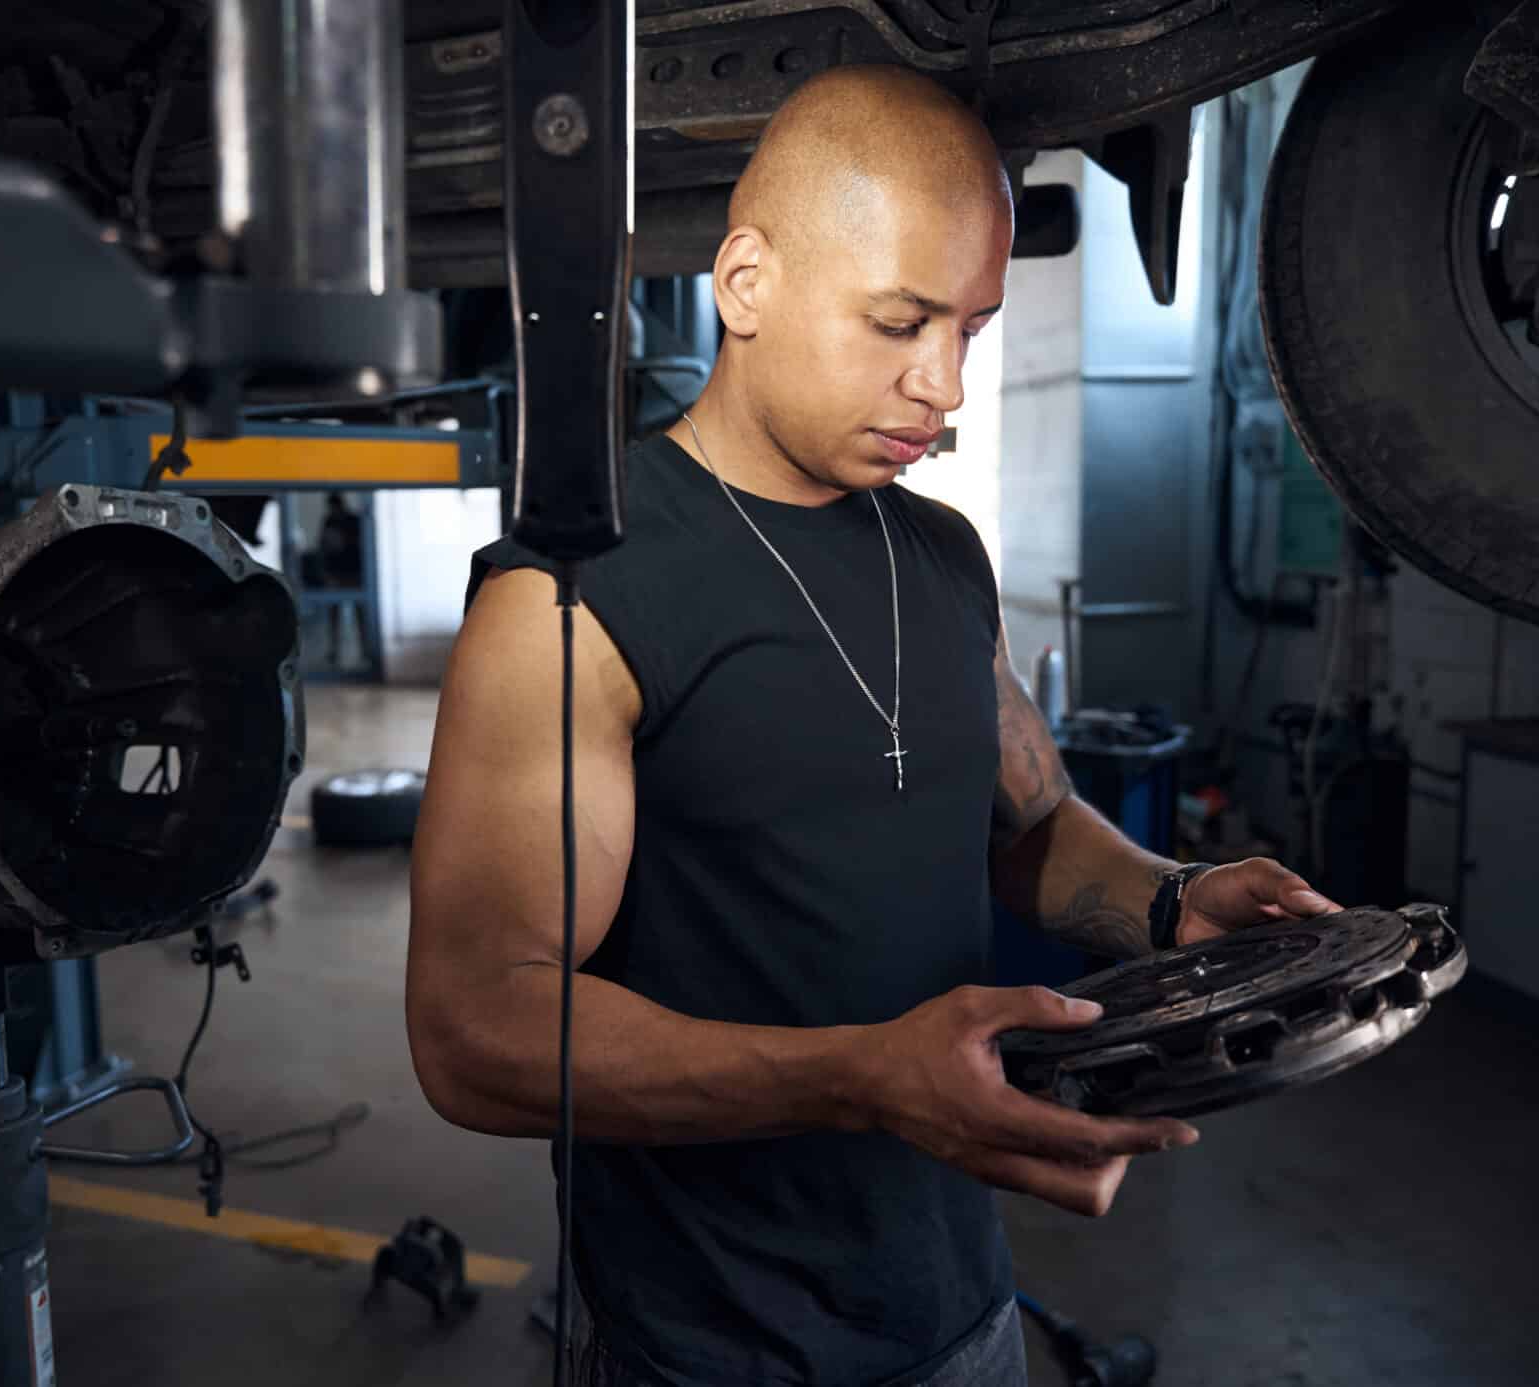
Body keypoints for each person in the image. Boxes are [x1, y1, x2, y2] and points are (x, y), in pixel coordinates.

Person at [407, 64, 1339, 1387]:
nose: (945, 387)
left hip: (966, 1318)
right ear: (746, 285)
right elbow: (474, 1032)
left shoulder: (949, 558)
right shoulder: (569, 600)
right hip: (713, 1352)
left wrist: (1176, 902)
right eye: (901, 322)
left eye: (971, 328)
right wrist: (861, 1075)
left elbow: (1027, 829)